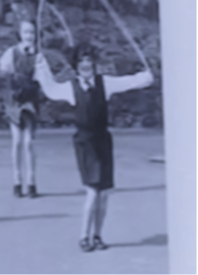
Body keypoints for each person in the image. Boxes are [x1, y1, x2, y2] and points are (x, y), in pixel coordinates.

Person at [32, 43, 153, 252]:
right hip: (84, 143)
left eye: (89, 60)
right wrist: (41, 68)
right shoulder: (71, 87)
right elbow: (51, 89)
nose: (86, 64)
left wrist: (146, 76)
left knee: (104, 193)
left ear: (94, 63)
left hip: (103, 141)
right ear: (76, 65)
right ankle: (84, 237)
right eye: (82, 61)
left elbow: (127, 82)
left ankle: (97, 236)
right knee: (92, 190)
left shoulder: (104, 83)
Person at [0, 20, 42, 198]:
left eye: (32, 32)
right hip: (14, 101)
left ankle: (31, 181)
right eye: (26, 32)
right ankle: (17, 180)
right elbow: (1, 72)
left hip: (30, 100)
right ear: (20, 34)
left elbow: (44, 77)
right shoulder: (12, 52)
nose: (29, 36)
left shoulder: (38, 55)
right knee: (17, 142)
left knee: (29, 143)